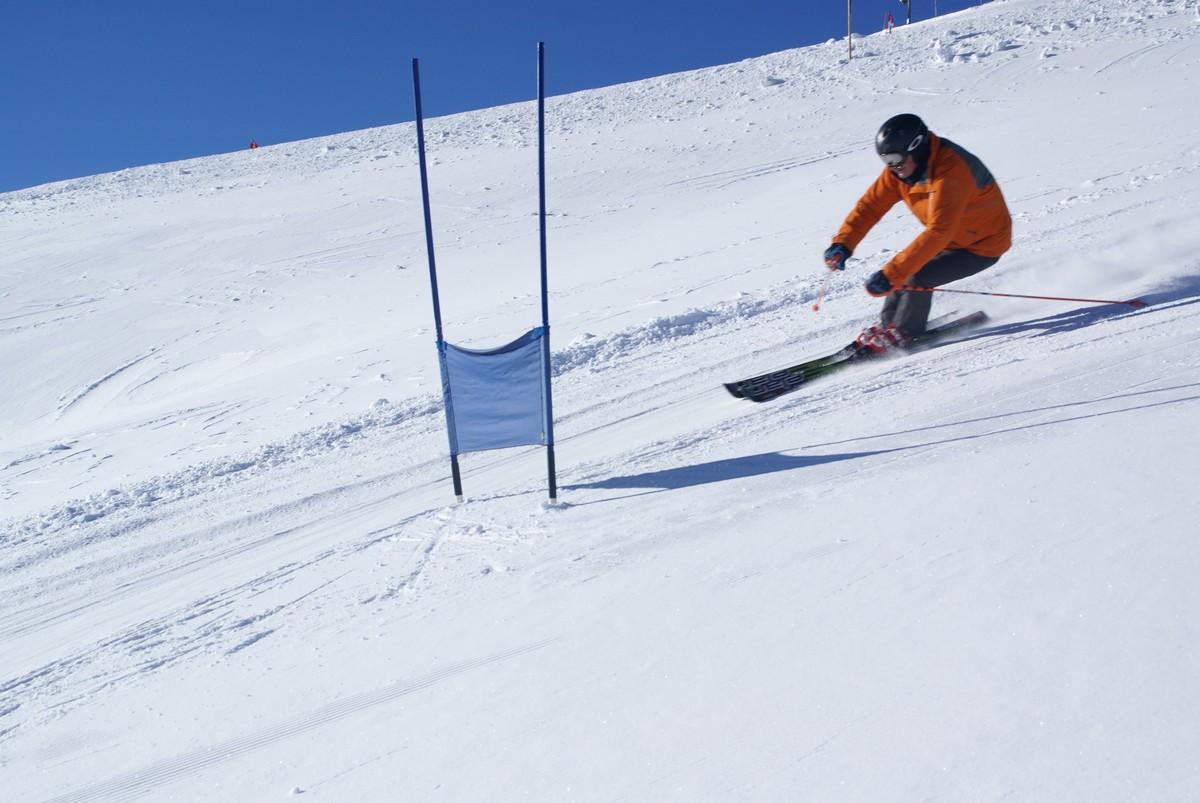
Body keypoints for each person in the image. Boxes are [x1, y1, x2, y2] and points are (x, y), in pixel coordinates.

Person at [822, 113, 1011, 351]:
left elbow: (939, 230)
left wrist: (891, 275)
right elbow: (870, 207)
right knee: (905, 270)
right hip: (952, 240)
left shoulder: (952, 170)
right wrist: (844, 243)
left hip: (983, 244)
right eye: (886, 160)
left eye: (895, 158)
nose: (893, 166)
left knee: (916, 276)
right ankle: (889, 327)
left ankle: (903, 333)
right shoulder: (900, 171)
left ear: (917, 147)